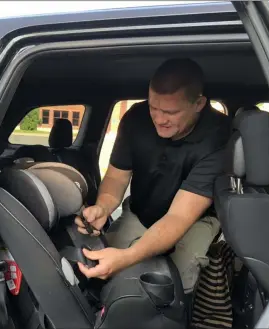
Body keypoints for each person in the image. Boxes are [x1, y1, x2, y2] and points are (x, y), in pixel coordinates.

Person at [75, 58, 232, 294]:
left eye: (170, 112)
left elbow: (178, 217)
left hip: (194, 220)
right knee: (102, 264)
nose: (159, 119)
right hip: (140, 211)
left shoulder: (219, 138)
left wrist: (128, 257)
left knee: (173, 283)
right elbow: (117, 179)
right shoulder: (136, 119)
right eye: (153, 108)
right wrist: (103, 207)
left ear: (198, 104)